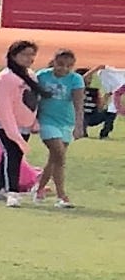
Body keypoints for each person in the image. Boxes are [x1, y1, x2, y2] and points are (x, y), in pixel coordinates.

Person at [0, 39, 43, 208]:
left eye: (32, 54)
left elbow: (33, 101)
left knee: (10, 156)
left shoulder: (31, 75)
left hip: (24, 124)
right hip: (5, 124)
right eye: (24, 54)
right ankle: (12, 192)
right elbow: (4, 107)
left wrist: (34, 122)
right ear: (13, 56)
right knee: (14, 155)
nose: (29, 58)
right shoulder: (4, 78)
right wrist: (13, 132)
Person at [34, 48, 85, 208]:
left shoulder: (76, 79)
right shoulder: (42, 76)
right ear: (54, 62)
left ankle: (39, 188)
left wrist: (79, 125)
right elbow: (33, 98)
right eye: (60, 64)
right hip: (47, 120)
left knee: (54, 159)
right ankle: (62, 196)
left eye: (68, 66)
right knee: (59, 155)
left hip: (65, 122)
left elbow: (78, 104)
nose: (64, 68)